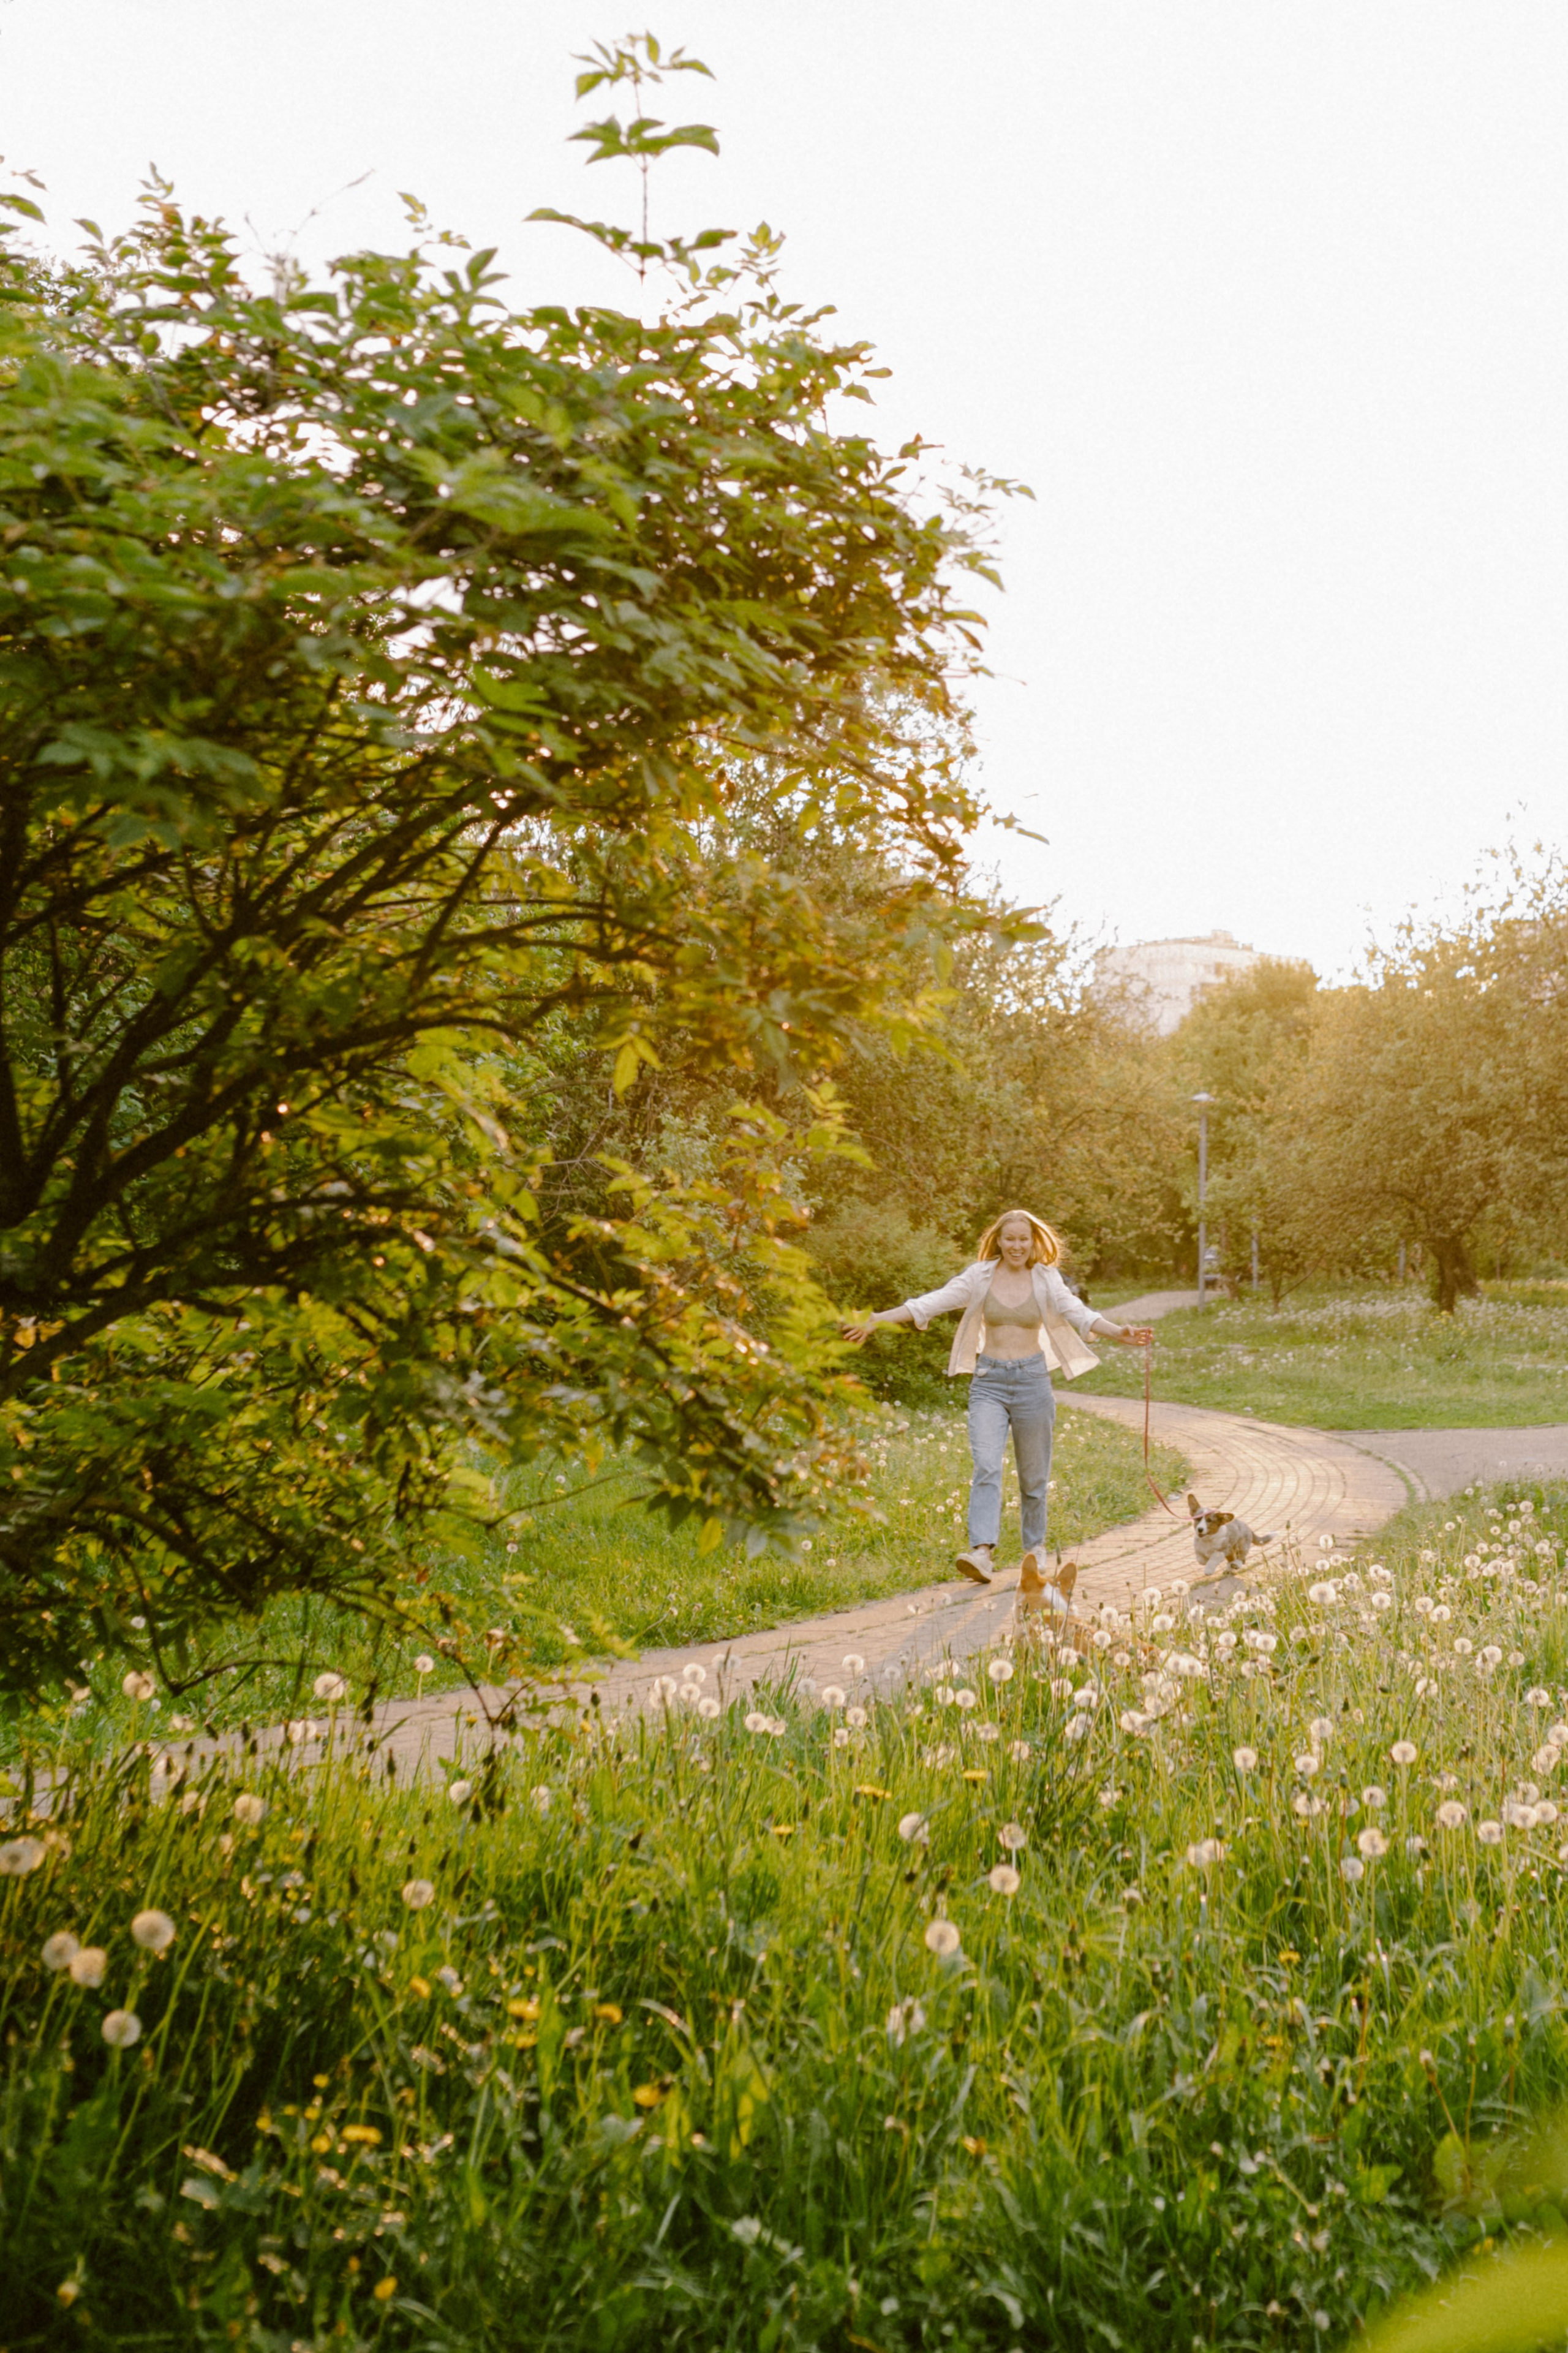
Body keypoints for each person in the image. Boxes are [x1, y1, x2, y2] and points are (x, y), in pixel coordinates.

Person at [841, 1209, 1153, 1585]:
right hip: (988, 1381)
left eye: (1024, 1239)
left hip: (1033, 1382)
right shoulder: (980, 1276)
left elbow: (1078, 1313)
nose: (1017, 1246)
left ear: (1034, 1242)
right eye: (1010, 1239)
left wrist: (1119, 1332)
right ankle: (982, 1553)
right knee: (987, 1465)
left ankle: (1034, 1550)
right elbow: (931, 1302)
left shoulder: (1045, 1278)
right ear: (999, 1241)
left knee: (1034, 1478)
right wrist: (875, 1318)